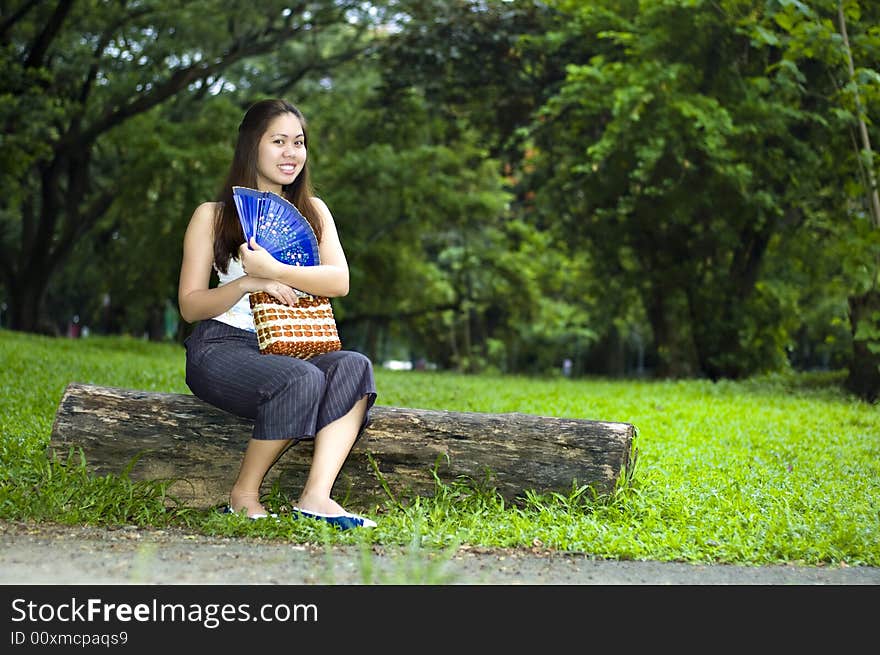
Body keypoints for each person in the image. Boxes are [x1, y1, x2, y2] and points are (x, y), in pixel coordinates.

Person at [177, 98, 377, 530]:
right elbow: (191, 305)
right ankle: (243, 493)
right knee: (301, 378)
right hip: (222, 348)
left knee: (354, 366)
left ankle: (316, 496)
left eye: (299, 143)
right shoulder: (212, 217)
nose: (292, 153)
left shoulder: (314, 211)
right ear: (252, 146)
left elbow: (339, 281)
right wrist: (249, 282)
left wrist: (275, 270)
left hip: (292, 343)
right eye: (279, 141)